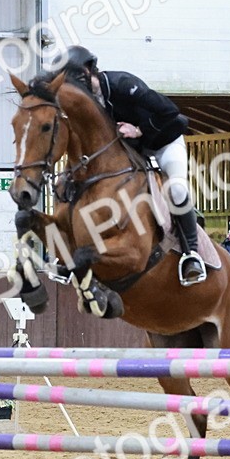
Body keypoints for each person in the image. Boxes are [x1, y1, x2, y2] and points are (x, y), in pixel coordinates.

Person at [59, 46, 204, 286]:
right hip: (133, 150)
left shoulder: (123, 84)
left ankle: (192, 254)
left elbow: (170, 112)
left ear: (88, 71)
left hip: (163, 142)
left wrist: (139, 130)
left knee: (177, 189)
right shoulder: (91, 103)